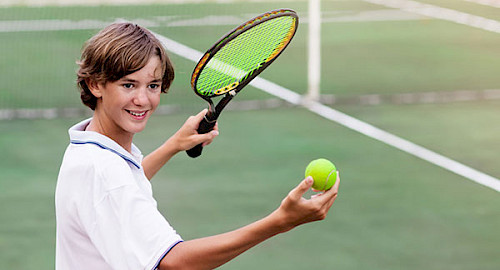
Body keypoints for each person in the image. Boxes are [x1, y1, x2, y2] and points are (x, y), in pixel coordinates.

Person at [55, 22, 340, 270]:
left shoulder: (89, 149)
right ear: (95, 85)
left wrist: (172, 146)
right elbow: (174, 261)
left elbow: (123, 187)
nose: (143, 99)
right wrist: (279, 221)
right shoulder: (105, 172)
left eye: (153, 85)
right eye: (128, 85)